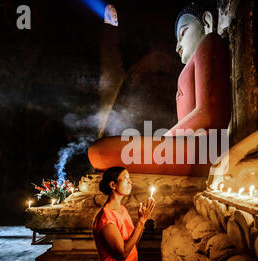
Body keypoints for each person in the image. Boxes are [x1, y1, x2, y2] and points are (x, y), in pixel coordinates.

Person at [87, 2, 231, 176]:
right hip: (191, 147)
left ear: (207, 22)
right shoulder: (193, 62)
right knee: (100, 152)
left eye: (183, 33)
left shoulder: (209, 42)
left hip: (206, 149)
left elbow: (208, 115)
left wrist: (164, 139)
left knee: (101, 152)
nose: (177, 46)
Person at [92, 166, 156, 261]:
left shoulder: (122, 209)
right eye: (125, 178)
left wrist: (141, 221)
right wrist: (141, 222)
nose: (130, 182)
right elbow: (122, 254)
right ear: (112, 185)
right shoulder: (106, 219)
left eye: (130, 178)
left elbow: (133, 243)